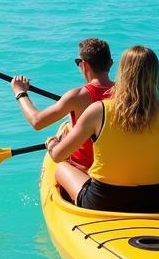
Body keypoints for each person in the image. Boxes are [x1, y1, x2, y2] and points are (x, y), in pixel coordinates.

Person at [44, 45, 159, 213]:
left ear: (122, 73)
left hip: (103, 202)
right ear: (155, 75)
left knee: (60, 167)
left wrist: (52, 144)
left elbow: (58, 155)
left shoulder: (98, 110)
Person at [10, 38, 115, 171]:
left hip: (83, 169)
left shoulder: (77, 96)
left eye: (78, 62)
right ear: (110, 64)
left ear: (84, 65)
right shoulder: (126, 92)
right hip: (111, 169)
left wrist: (20, 93)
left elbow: (37, 121)